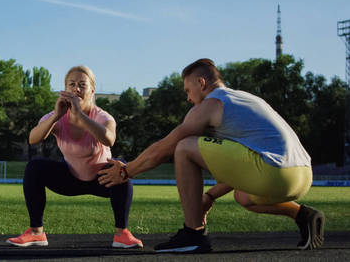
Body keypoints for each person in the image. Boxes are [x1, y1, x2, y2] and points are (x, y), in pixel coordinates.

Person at [98, 58, 325, 253]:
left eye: (188, 90)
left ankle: (193, 234)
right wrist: (210, 197)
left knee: (184, 146)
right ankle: (303, 214)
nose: (188, 98)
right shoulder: (245, 99)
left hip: (274, 172)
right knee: (243, 196)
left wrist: (126, 171)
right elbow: (246, 159)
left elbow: (166, 147)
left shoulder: (212, 104)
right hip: (302, 176)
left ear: (201, 83)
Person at [6, 65, 143, 248]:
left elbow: (109, 139)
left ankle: (122, 234)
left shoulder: (103, 117)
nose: (76, 89)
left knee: (121, 168)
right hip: (70, 177)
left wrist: (79, 114)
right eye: (71, 84)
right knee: (35, 167)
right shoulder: (57, 116)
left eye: (82, 85)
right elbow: (33, 139)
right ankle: (36, 233)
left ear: (92, 90)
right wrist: (56, 115)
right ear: (65, 89)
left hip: (102, 179)